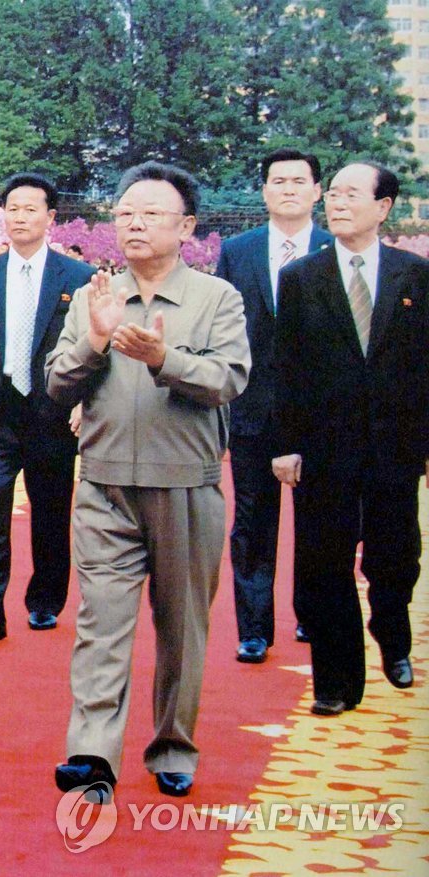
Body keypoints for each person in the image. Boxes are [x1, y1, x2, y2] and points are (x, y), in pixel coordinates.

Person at [47, 161, 249, 799]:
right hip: (104, 484)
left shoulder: (218, 298)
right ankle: (91, 752)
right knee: (100, 622)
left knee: (182, 626)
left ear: (186, 226)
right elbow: (57, 382)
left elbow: (228, 380)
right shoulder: (94, 297)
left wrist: (164, 359)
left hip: (184, 486)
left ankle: (173, 746)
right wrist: (96, 344)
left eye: (151, 213)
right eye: (125, 211)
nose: (133, 222)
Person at [272, 162, 428, 716]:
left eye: (350, 195)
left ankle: (391, 625)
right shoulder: (301, 279)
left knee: (396, 555)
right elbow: (285, 367)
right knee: (323, 562)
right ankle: (335, 682)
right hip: (323, 446)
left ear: (383, 207)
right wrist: (286, 444)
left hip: (396, 445)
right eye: (332, 194)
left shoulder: (416, 276)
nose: (336, 203)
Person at [0, 173, 93, 641]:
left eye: (31, 209)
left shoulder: (78, 277)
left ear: (51, 217)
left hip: (51, 410)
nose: (20, 217)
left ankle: (45, 599)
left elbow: (92, 348)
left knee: (51, 509)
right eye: (12, 208)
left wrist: (85, 401)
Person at [216, 148, 333, 663]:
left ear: (317, 191)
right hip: (251, 411)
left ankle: (311, 615)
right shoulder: (237, 252)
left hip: (321, 414)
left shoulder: (335, 249)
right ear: (263, 191)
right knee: (253, 524)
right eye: (277, 180)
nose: (288, 188)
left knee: (319, 521)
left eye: (298, 180)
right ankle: (254, 629)